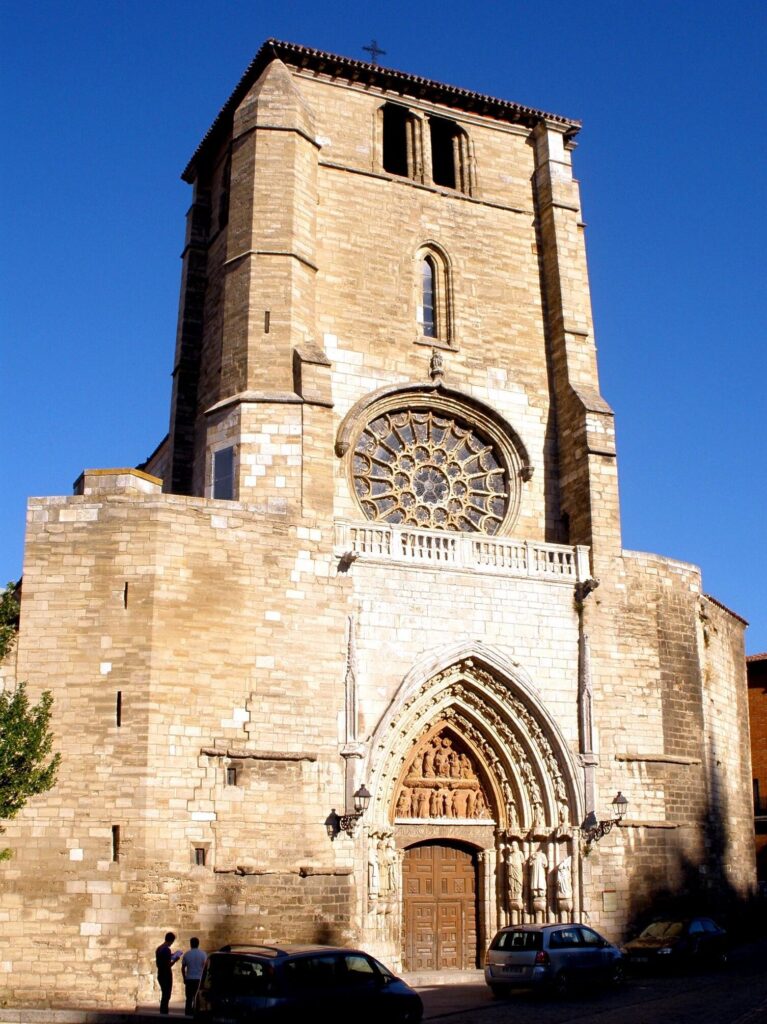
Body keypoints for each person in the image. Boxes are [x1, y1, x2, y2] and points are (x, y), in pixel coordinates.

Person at [155, 931, 181, 1014]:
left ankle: (163, 1011)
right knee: (166, 995)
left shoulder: (159, 948)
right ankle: (164, 1012)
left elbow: (161, 961)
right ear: (171, 940)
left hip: (160, 973)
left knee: (164, 994)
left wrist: (171, 956)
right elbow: (167, 965)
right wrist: (175, 960)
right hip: (166, 974)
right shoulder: (166, 949)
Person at [181, 937, 207, 1016]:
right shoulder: (203, 954)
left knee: (188, 998)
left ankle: (187, 1013)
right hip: (199, 979)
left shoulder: (187, 954)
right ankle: (197, 1013)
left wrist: (184, 978)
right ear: (198, 944)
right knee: (198, 998)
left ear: (190, 944)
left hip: (189, 978)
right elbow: (205, 967)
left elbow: (183, 968)